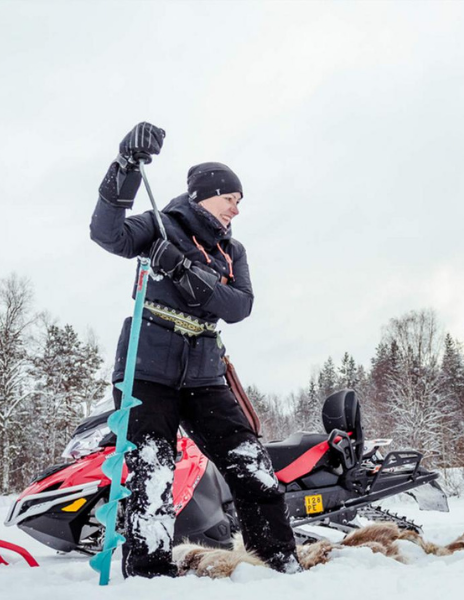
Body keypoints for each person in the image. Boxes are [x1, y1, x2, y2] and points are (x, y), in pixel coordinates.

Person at [89, 122, 300, 578]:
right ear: (206, 195)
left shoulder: (232, 251)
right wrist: (125, 166)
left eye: (239, 202)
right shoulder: (159, 226)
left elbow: (238, 306)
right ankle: (149, 574)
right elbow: (107, 234)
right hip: (147, 368)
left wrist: (183, 271)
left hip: (204, 374)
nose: (236, 210)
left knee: (251, 465)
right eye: (231, 199)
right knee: (153, 474)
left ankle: (278, 563)